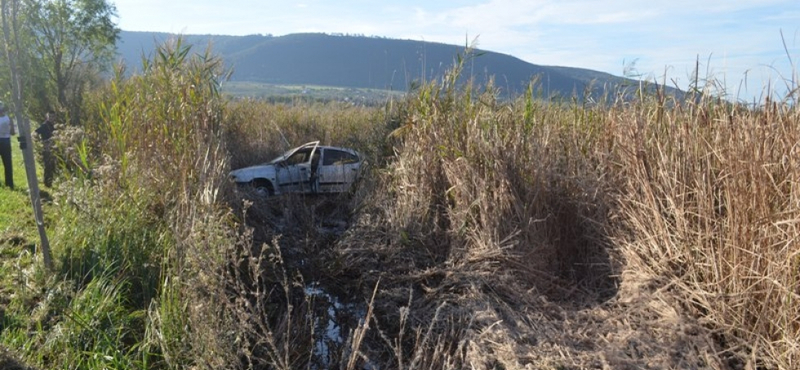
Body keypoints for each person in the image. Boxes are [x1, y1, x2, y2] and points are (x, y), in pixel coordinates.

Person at [35, 111, 56, 187]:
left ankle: (51, 182)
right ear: (47, 117)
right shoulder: (44, 125)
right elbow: (36, 133)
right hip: (47, 148)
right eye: (50, 117)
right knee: (48, 166)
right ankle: (47, 183)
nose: (51, 118)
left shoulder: (55, 126)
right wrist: (41, 142)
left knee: (53, 166)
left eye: (53, 117)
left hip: (54, 148)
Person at [0, 102, 14, 189]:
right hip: (6, 140)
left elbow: (12, 132)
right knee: (7, 163)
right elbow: (13, 132)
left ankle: (8, 184)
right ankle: (9, 183)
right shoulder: (8, 118)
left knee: (7, 163)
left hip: (4, 140)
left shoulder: (8, 118)